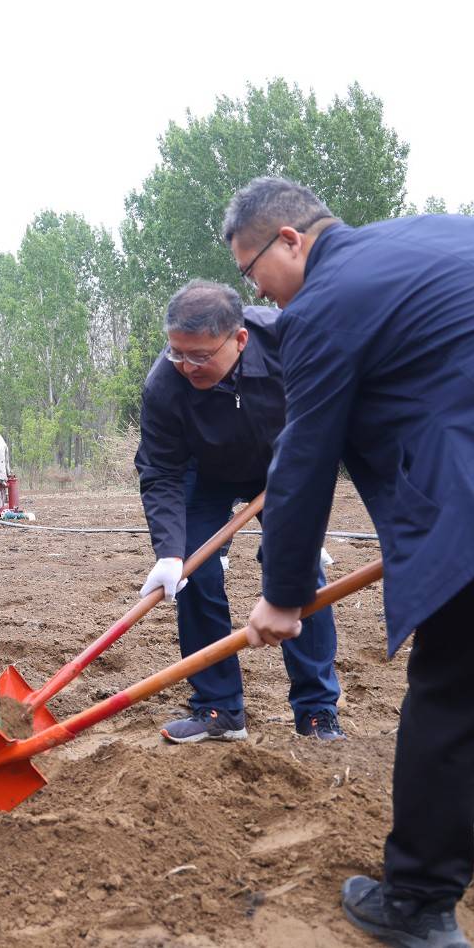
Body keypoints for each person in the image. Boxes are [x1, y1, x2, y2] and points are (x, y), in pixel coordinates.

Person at [225, 177, 474, 948]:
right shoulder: (465, 230)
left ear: (289, 240)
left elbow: (305, 458)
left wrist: (282, 594)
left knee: (449, 696)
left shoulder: (320, 308)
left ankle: (416, 899)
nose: (264, 295)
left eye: (254, 274)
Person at [135, 280, 341, 743]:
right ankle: (218, 709)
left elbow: (330, 417)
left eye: (200, 355)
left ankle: (316, 711)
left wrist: (307, 526)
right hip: (202, 472)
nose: (187, 366)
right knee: (194, 573)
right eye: (177, 353)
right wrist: (169, 553)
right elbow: (160, 470)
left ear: (240, 339)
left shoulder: (291, 341)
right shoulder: (164, 384)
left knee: (299, 573)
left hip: (280, 467)